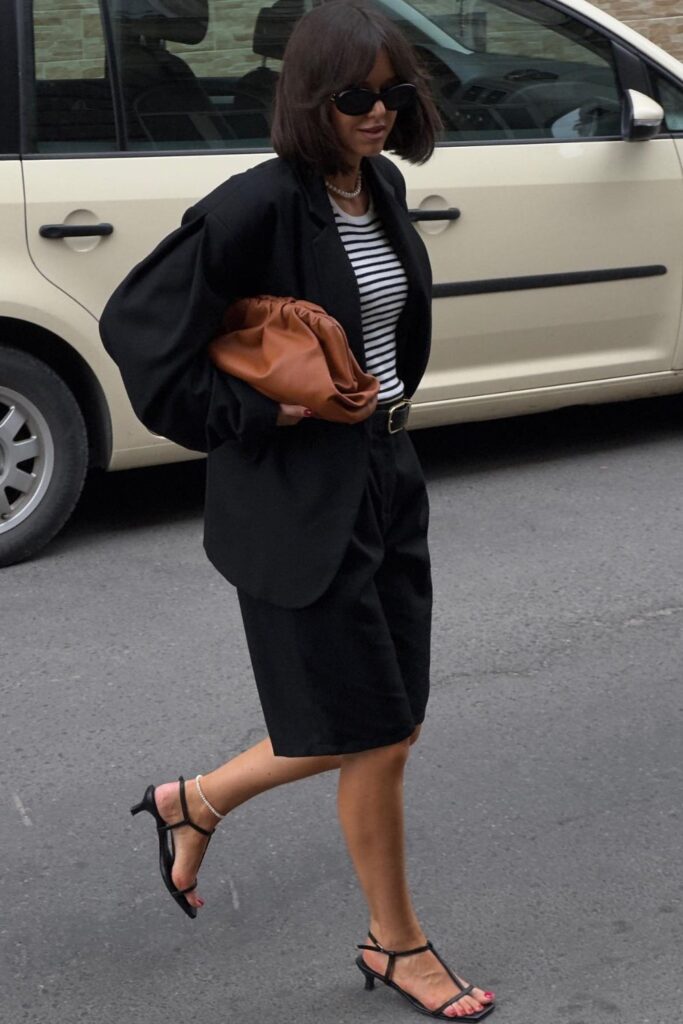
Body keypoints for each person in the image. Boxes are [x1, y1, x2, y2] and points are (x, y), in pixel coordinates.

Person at [101, 1, 496, 1019]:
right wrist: (260, 409)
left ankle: (197, 799)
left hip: (382, 478)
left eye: (391, 92)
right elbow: (138, 330)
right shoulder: (256, 204)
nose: (375, 112)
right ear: (312, 97)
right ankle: (397, 944)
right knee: (368, 727)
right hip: (291, 501)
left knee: (388, 726)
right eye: (355, 95)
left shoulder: (382, 186)